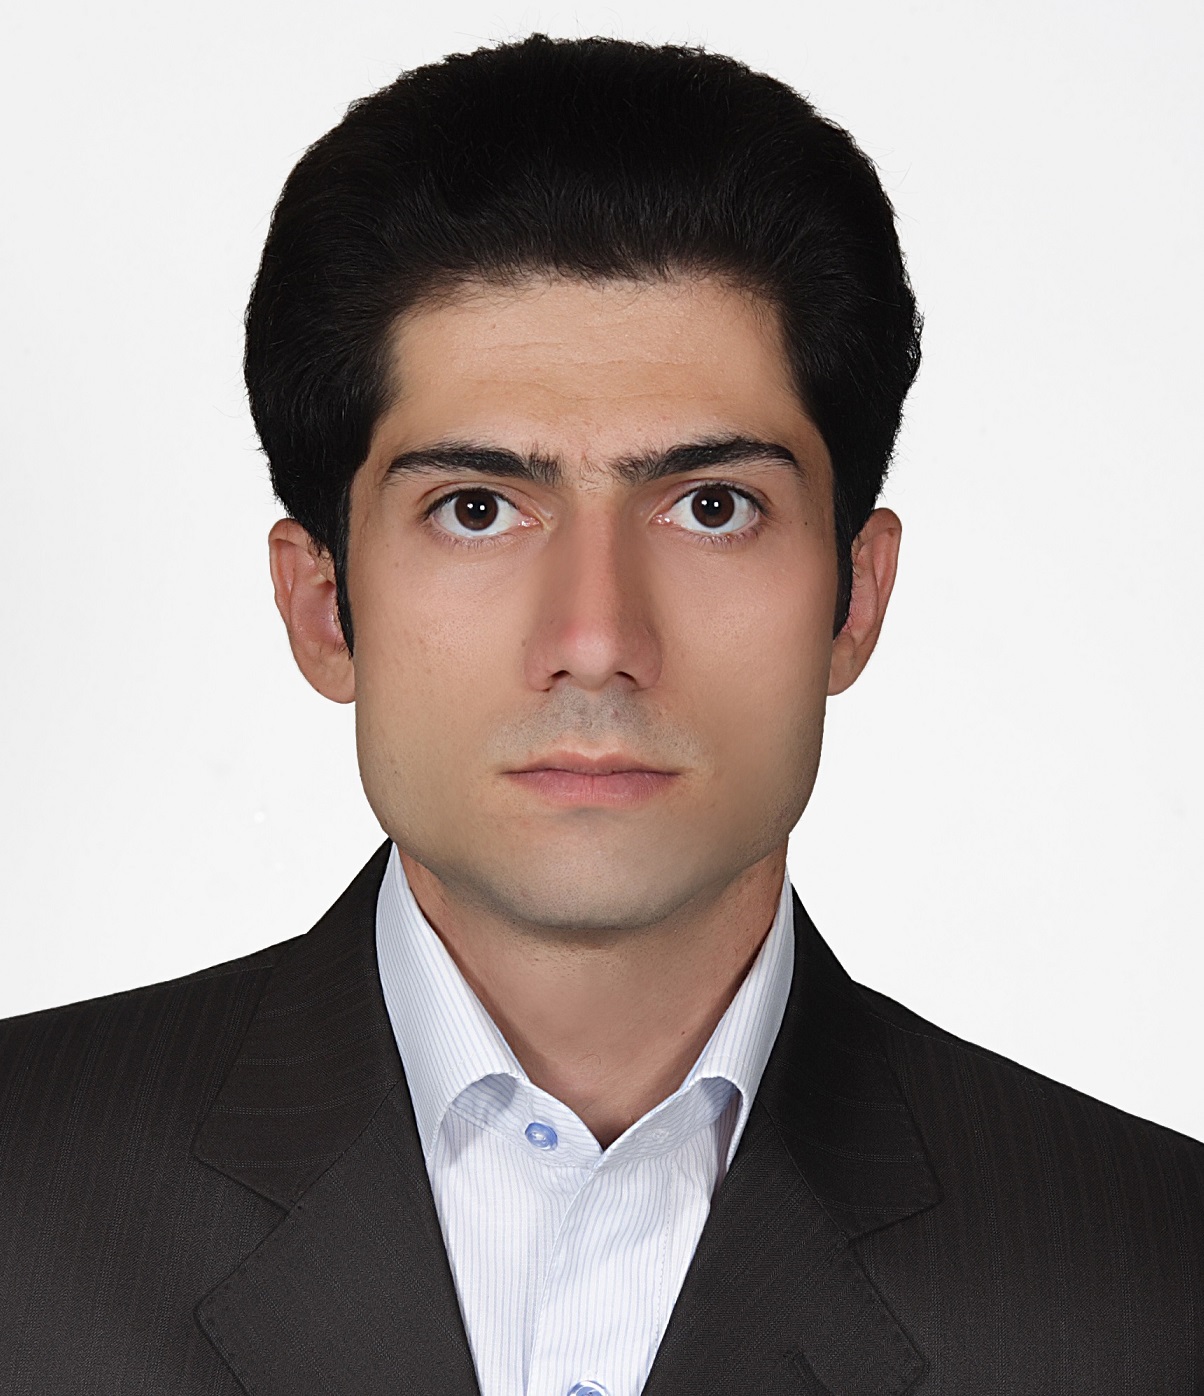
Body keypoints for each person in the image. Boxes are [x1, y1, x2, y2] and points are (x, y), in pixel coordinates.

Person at [1, 31, 1200, 1395]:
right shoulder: (24, 1207)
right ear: (324, 605)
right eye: (475, 509)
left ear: (855, 599)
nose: (596, 641)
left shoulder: (1150, 1284)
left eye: (713, 507)